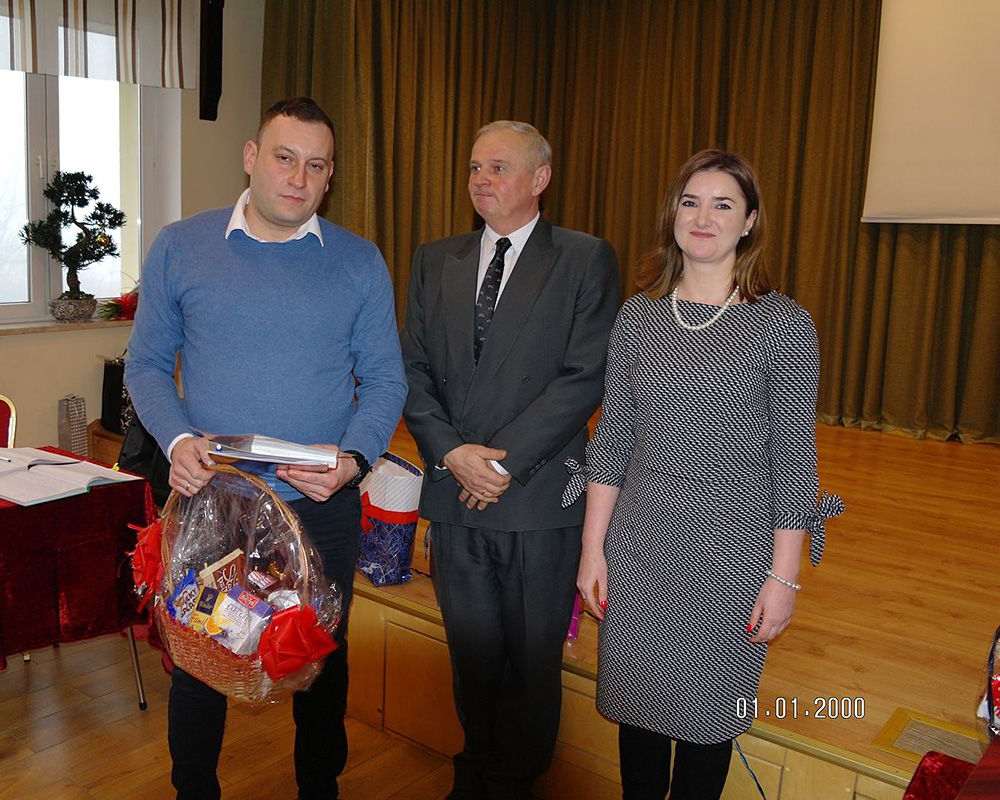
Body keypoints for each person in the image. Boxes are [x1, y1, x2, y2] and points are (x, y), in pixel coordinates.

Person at [124, 97, 406, 800]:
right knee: (201, 660)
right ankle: (194, 789)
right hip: (211, 503)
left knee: (320, 663)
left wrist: (353, 462)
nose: (298, 178)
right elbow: (147, 365)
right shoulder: (181, 247)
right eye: (284, 158)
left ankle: (320, 788)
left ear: (330, 176)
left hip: (320, 504)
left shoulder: (359, 262)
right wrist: (177, 438)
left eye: (317, 165)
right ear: (251, 157)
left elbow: (385, 380)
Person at [561, 149, 844, 799]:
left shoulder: (783, 325)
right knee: (637, 717)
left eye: (723, 205)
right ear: (673, 214)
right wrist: (592, 550)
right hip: (640, 550)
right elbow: (614, 440)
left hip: (731, 560)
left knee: (707, 725)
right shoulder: (639, 318)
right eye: (691, 202)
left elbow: (794, 461)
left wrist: (784, 577)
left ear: (750, 222)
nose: (703, 218)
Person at [401, 120, 620, 799]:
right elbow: (411, 370)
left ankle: (516, 784)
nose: (481, 179)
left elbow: (585, 376)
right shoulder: (435, 259)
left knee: (529, 667)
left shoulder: (583, 259)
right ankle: (475, 776)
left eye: (498, 167)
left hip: (534, 499)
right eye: (475, 167)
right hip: (454, 497)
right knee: (471, 662)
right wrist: (451, 452)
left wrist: (500, 464)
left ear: (540, 178)